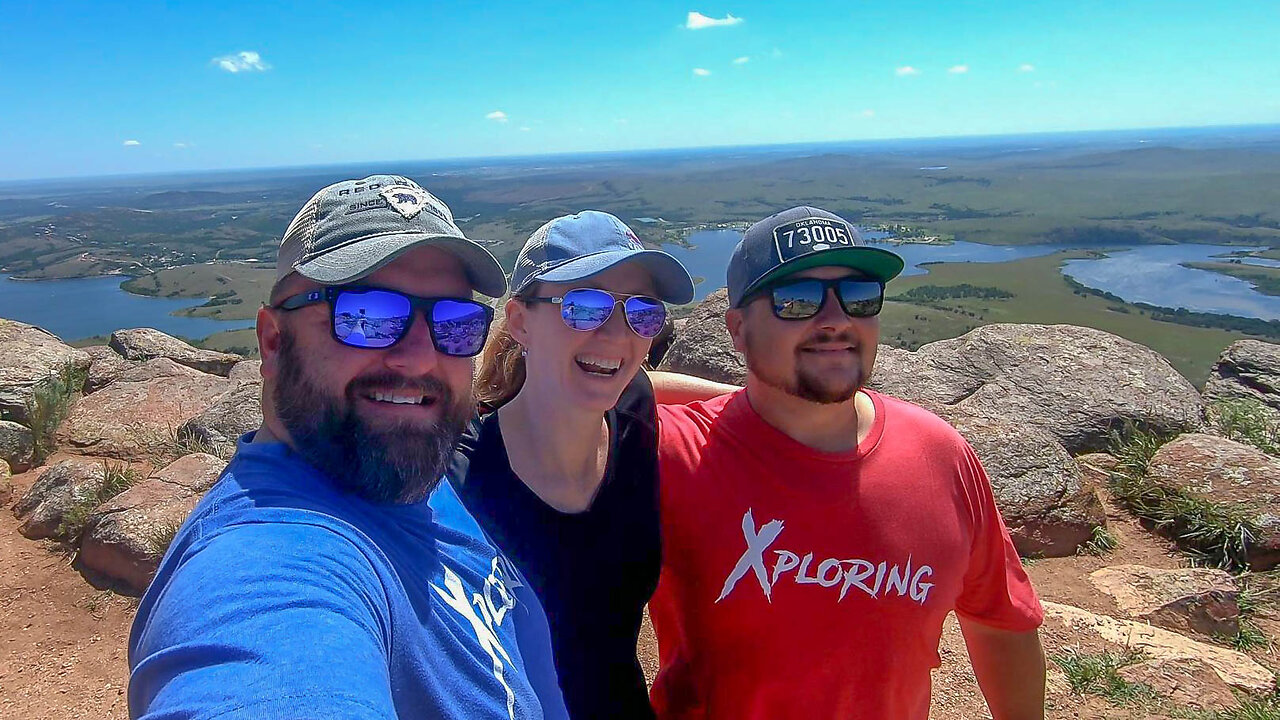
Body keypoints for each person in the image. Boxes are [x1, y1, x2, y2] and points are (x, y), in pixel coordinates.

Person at [128, 175, 569, 720]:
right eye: (366, 318)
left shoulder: (404, 472)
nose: (419, 359)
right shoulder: (269, 563)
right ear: (272, 341)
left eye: (454, 323)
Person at [648, 206, 1046, 719]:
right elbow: (592, 392)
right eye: (797, 300)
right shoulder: (675, 453)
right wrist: (740, 396)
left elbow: (1000, 620)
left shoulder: (939, 454)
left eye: (859, 297)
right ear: (738, 329)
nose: (836, 320)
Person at [452, 211, 716, 719]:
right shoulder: (463, 482)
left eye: (642, 312)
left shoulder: (632, 413)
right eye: (585, 306)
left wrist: (759, 402)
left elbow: (645, 384)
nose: (618, 336)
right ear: (522, 321)